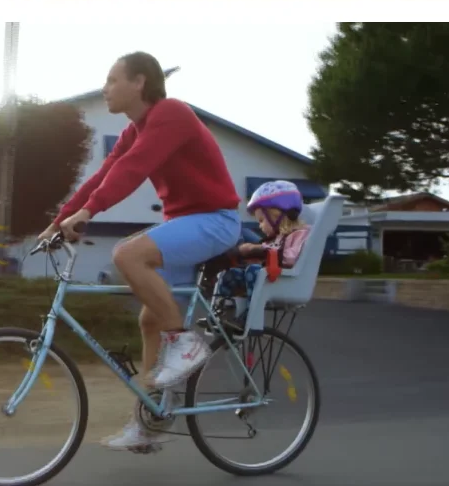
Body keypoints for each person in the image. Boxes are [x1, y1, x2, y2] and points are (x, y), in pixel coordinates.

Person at [36, 51, 242, 452]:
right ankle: (150, 422)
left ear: (140, 82)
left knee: (128, 255)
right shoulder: (134, 131)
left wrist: (88, 213)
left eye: (113, 79)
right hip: (184, 225)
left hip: (215, 220)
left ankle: (186, 343)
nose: (105, 88)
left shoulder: (173, 113)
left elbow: (132, 170)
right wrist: (58, 220)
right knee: (150, 321)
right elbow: (105, 175)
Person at [216, 180, 312, 318]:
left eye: (261, 220)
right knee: (231, 274)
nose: (260, 226)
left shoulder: (300, 233)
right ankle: (225, 311)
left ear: (276, 215)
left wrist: (261, 249)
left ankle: (251, 315)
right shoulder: (277, 237)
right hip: (268, 278)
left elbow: (290, 258)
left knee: (254, 271)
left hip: (283, 280)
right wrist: (248, 253)